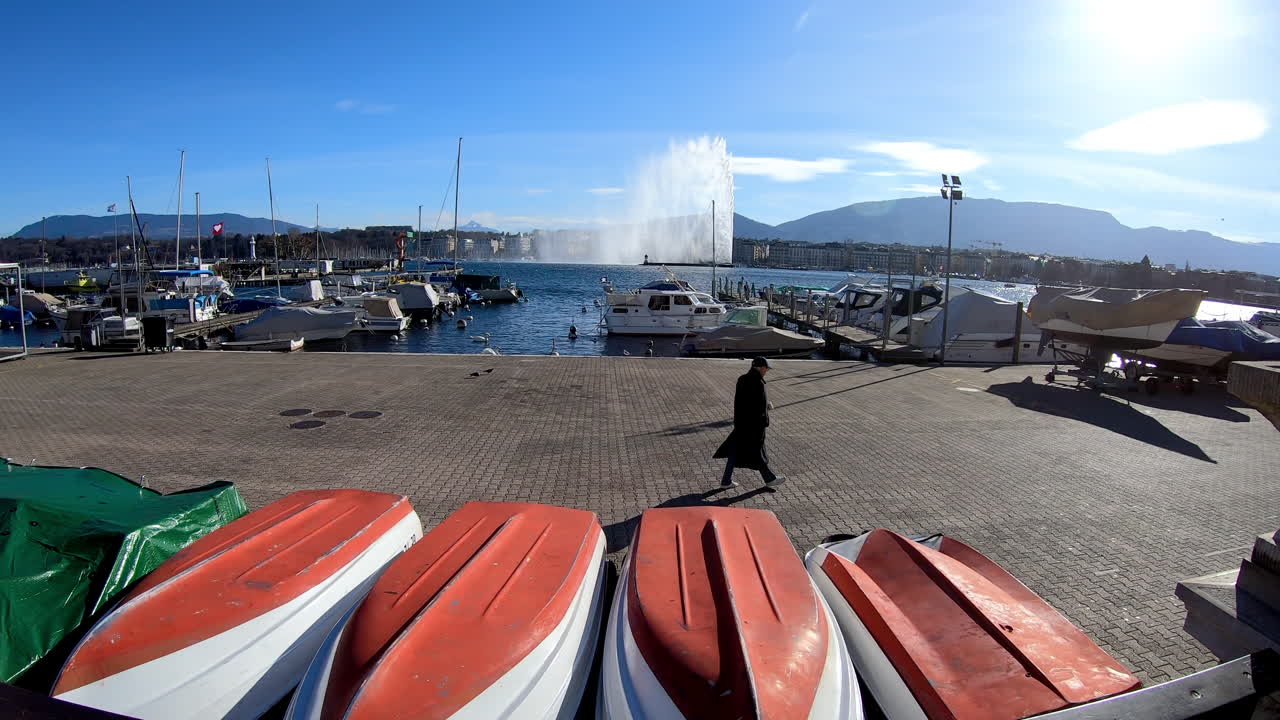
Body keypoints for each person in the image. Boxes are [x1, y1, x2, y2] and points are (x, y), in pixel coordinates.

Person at [713, 356, 785, 490]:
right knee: (758, 451)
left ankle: (726, 480)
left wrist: (765, 404)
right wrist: (765, 417)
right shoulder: (758, 382)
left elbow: (744, 401)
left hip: (741, 422)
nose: (767, 371)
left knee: (735, 451)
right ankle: (769, 479)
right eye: (766, 368)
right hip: (754, 425)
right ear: (760, 367)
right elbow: (756, 406)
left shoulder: (742, 379)